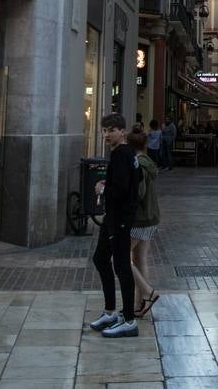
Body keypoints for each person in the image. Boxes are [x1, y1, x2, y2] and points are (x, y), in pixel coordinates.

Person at [90, 113, 140, 338]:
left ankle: (129, 319)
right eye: (104, 130)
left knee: (121, 266)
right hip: (114, 218)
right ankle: (110, 311)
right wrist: (107, 182)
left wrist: (103, 189)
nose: (106, 134)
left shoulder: (121, 154)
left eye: (111, 130)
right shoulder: (126, 153)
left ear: (122, 131)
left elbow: (120, 191)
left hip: (119, 219)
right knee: (100, 258)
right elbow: (129, 181)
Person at [126, 129, 160, 317]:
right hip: (151, 217)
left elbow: (137, 193)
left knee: (120, 257)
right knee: (140, 259)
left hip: (140, 219)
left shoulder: (137, 164)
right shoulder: (149, 162)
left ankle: (148, 292)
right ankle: (141, 303)